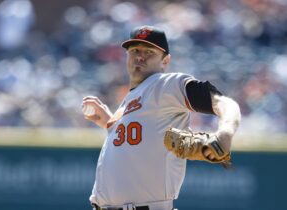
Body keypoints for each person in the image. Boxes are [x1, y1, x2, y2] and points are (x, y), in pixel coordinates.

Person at [82, 25, 241, 210]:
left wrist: (226, 131)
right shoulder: (129, 100)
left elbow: (225, 103)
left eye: (149, 51)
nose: (140, 56)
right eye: (134, 50)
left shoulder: (166, 84)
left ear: (165, 61)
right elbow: (139, 140)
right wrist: (110, 123)